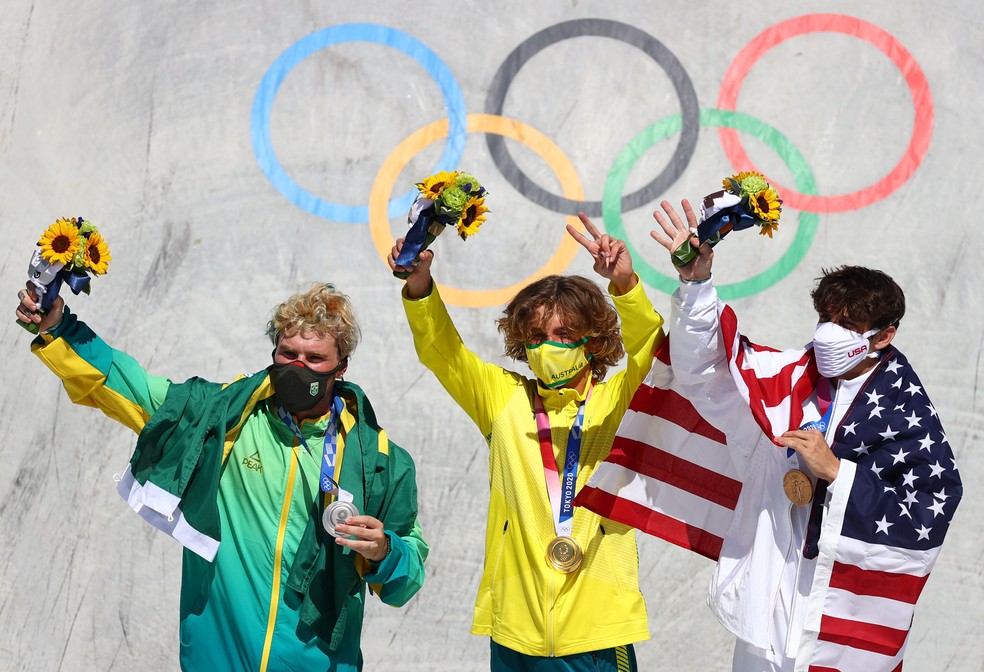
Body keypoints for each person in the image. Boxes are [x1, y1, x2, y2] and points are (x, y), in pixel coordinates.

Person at [16, 282, 427, 672]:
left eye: (315, 359)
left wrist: (384, 552)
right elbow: (130, 385)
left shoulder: (380, 461)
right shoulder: (218, 419)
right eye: (287, 354)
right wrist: (59, 330)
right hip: (218, 656)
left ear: (341, 368)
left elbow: (405, 580)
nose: (298, 367)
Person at [647, 199, 962, 671]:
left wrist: (838, 473)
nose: (831, 334)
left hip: (839, 624)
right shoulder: (783, 380)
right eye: (826, 319)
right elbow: (703, 371)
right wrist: (694, 286)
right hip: (769, 615)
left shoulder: (907, 416)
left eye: (849, 326)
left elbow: (927, 512)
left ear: (884, 335)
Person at [387, 214, 665, 671]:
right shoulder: (504, 398)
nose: (546, 346)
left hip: (597, 629)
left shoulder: (620, 400)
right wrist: (419, 282)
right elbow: (443, 352)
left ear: (593, 340)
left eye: (563, 335)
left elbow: (652, 351)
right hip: (514, 628)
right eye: (536, 336)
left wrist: (625, 285)